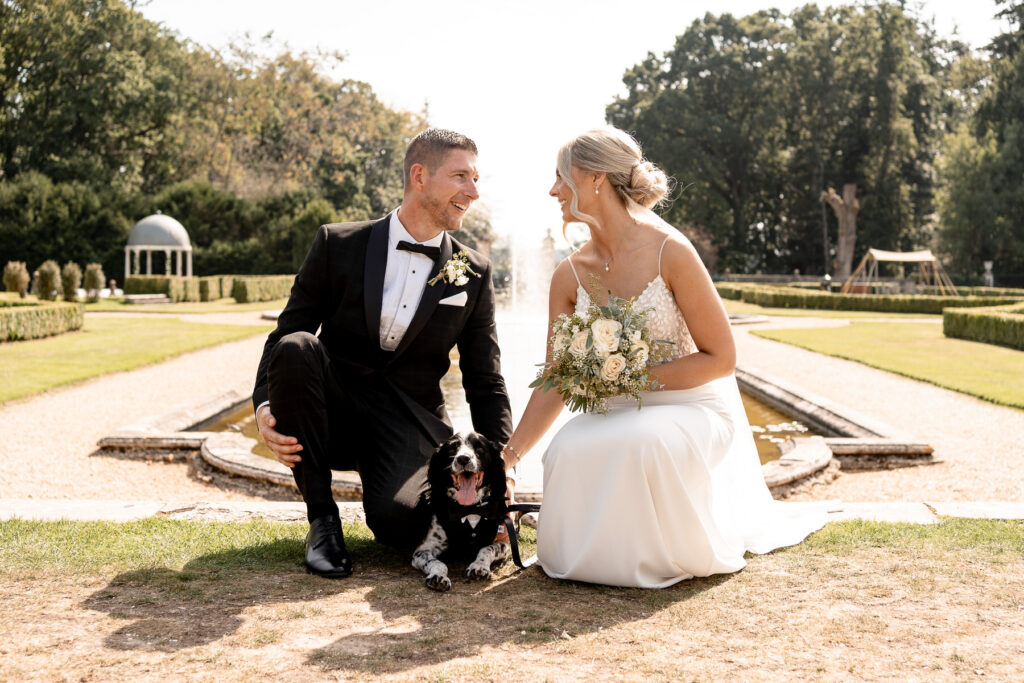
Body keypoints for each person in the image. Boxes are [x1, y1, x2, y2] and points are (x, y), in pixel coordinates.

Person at [501, 127, 827, 588]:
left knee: (643, 442)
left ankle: (656, 561)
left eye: (561, 176)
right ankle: (585, 564)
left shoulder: (671, 253)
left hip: (691, 409)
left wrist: (632, 378)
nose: (553, 189)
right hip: (613, 413)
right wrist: (508, 456)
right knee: (566, 449)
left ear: (594, 178)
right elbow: (556, 376)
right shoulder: (569, 275)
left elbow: (721, 358)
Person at [253, 128, 513, 578]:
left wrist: (502, 467)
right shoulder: (338, 244)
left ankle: (399, 507)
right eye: (461, 177)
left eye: (475, 178)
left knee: (404, 522)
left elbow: (484, 379)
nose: (473, 191)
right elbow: (284, 335)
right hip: (333, 408)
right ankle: (323, 522)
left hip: (409, 420)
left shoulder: (472, 271)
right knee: (298, 348)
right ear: (419, 176)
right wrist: (263, 408)